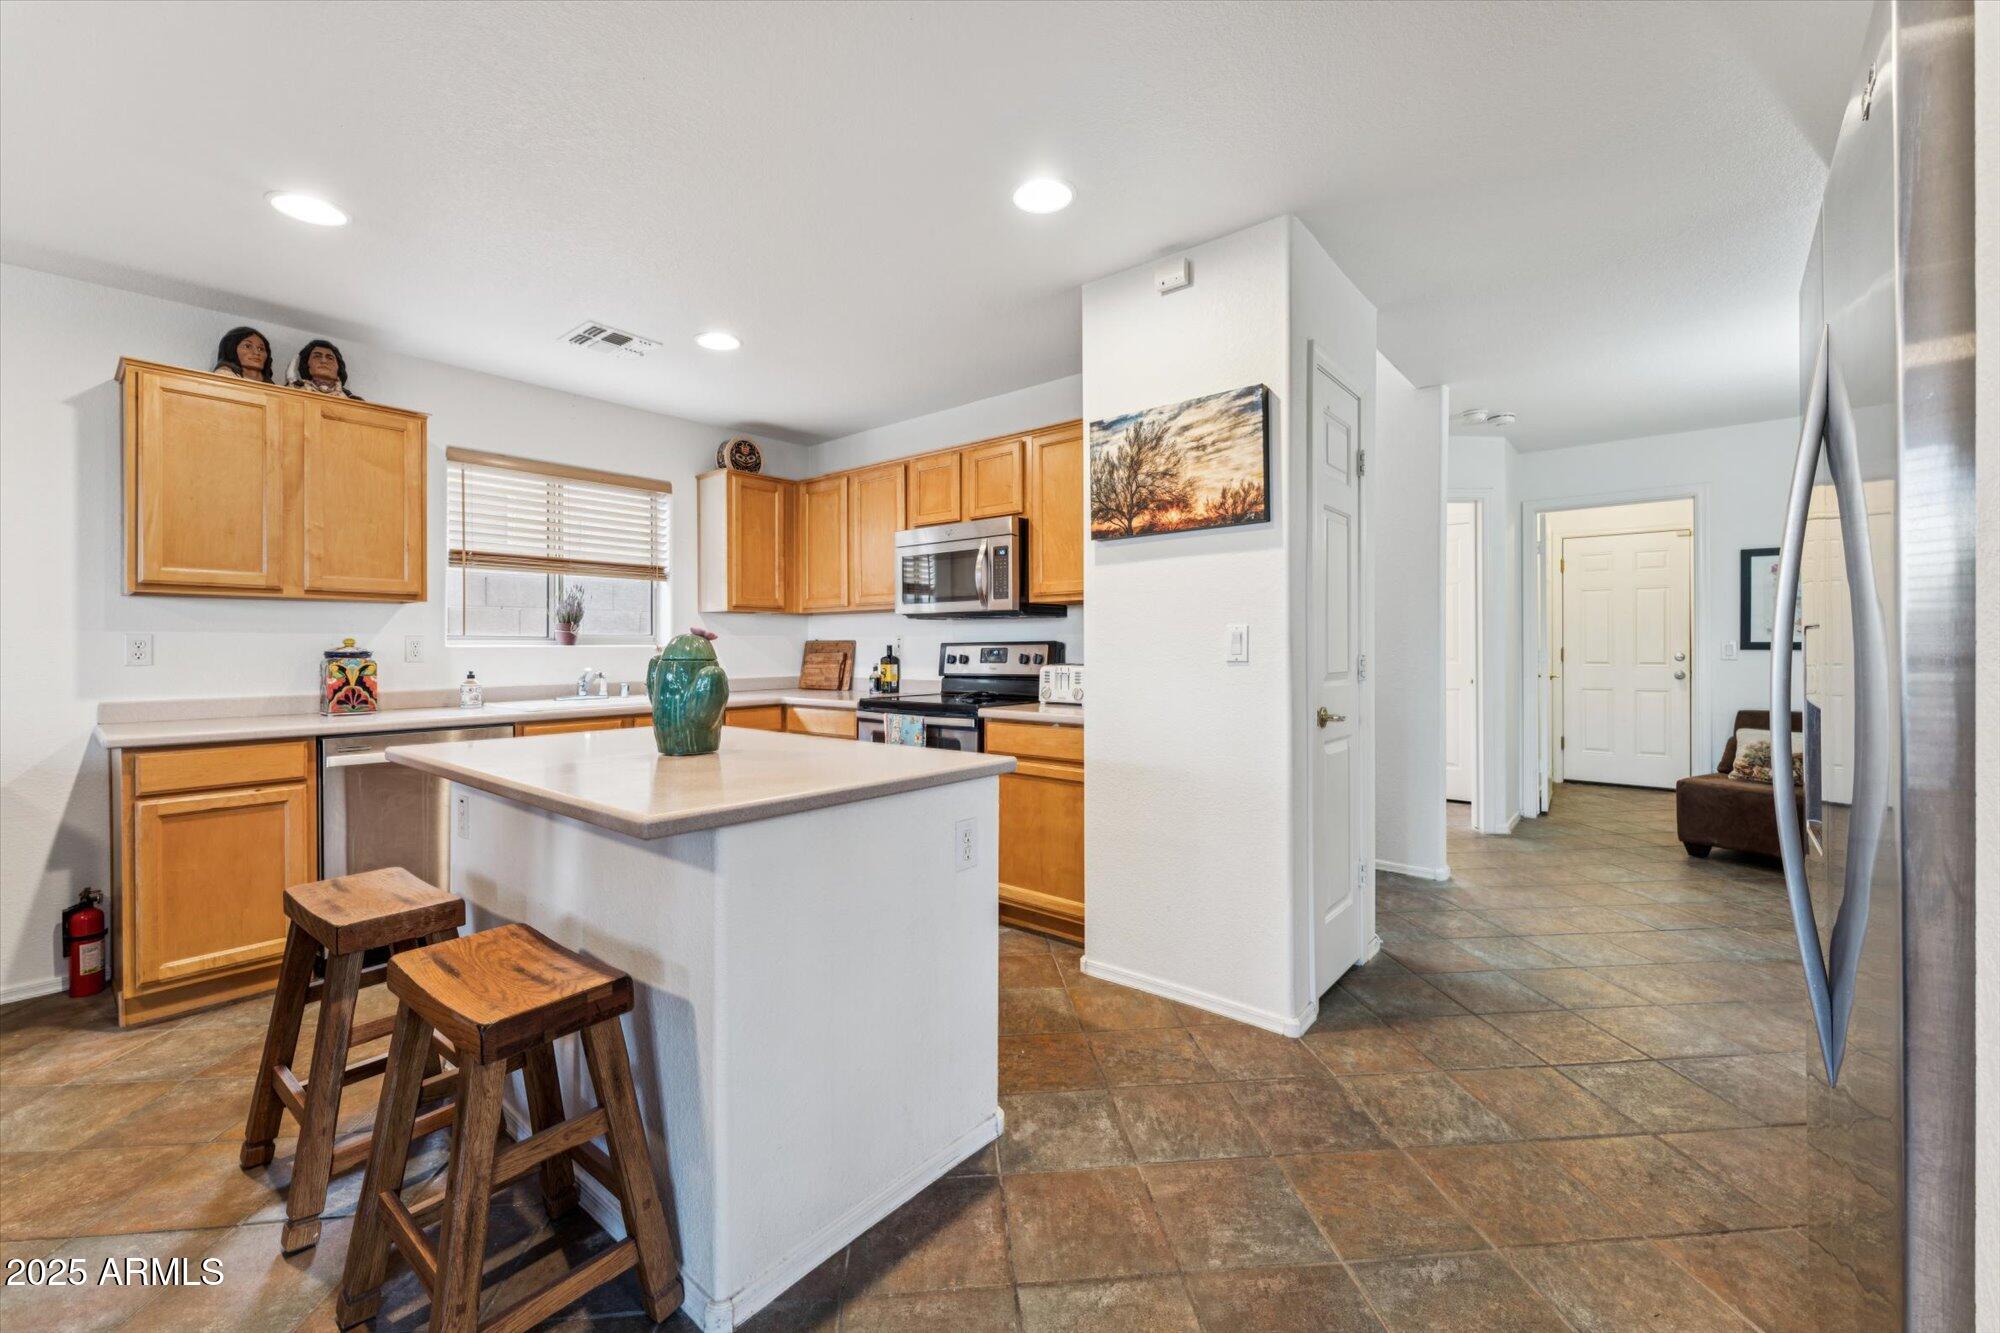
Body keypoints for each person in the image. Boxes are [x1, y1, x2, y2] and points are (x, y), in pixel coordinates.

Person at [286, 338, 362, 399]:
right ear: (307, 364)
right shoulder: (291, 393)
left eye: (330, 358)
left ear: (338, 367)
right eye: (317, 356)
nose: (324, 361)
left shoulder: (353, 402)